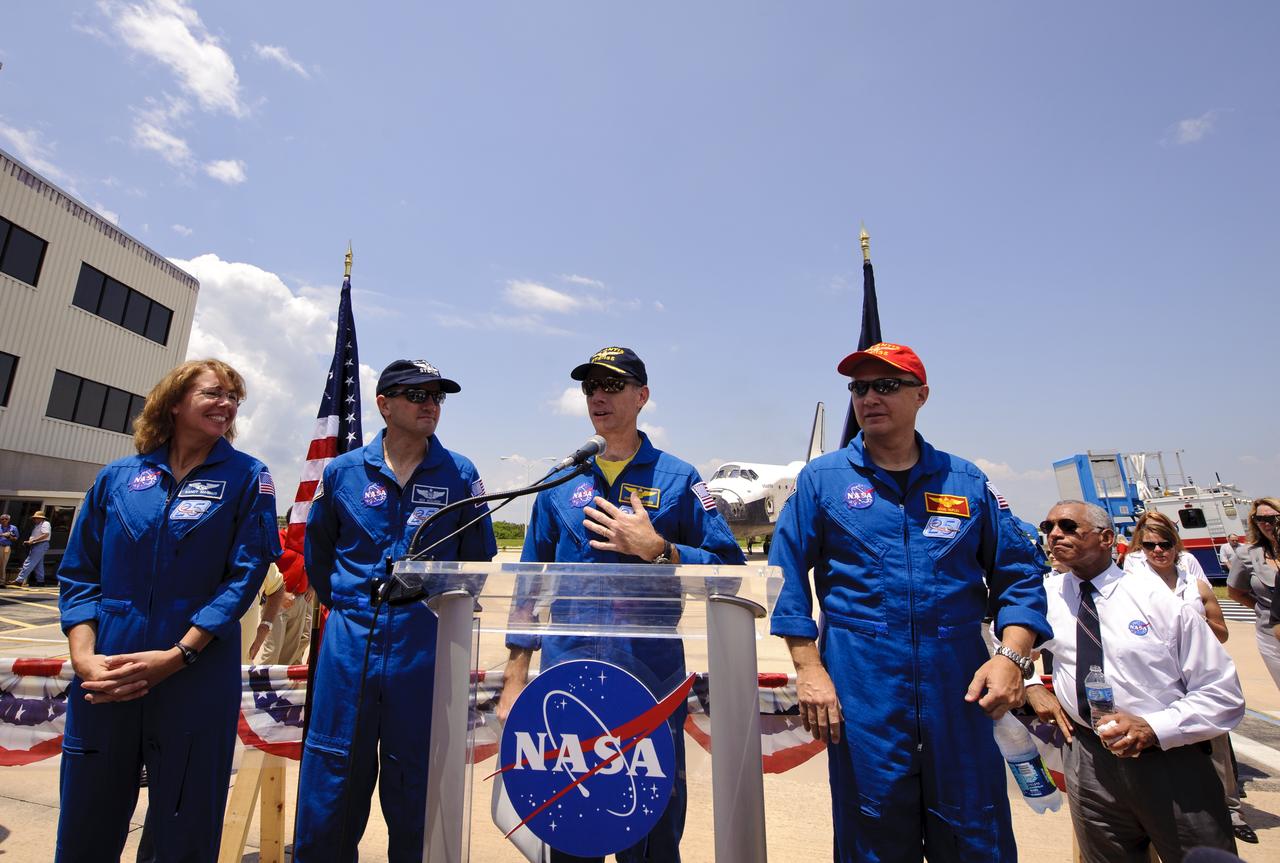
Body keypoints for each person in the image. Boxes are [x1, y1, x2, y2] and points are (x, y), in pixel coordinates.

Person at [767, 341, 1050, 862]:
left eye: (886, 386)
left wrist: (1012, 657)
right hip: (863, 692)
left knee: (974, 832)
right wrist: (808, 668)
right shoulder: (821, 481)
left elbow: (1019, 575)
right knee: (872, 832)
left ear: (921, 395)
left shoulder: (966, 482)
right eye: (859, 387)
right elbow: (782, 575)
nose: (870, 397)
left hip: (960, 690)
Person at [498, 346, 745, 863]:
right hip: (564, 683)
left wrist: (662, 550)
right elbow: (529, 585)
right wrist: (516, 677)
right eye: (590, 387)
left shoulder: (679, 479)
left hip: (646, 682)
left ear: (642, 396)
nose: (598, 396)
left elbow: (730, 568)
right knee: (568, 830)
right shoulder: (559, 481)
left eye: (612, 385)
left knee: (650, 835)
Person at [55, 359, 280, 862]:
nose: (227, 405)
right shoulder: (118, 477)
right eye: (214, 393)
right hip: (108, 674)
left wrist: (179, 655)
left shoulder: (248, 477)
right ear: (175, 402)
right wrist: (85, 659)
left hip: (194, 676)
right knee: (87, 819)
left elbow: (243, 577)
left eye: (234, 398)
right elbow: (79, 573)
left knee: (184, 826)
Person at [295, 359, 497, 863]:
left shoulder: (461, 473)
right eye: (417, 395)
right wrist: (355, 603)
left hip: (424, 641)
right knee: (333, 778)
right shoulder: (342, 472)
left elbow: (477, 559)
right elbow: (319, 556)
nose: (431, 405)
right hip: (351, 640)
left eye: (437, 397)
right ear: (384, 405)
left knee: (419, 783)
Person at [1026, 500, 1244, 861]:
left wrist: (1151, 727)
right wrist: (1033, 686)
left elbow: (1223, 695)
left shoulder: (1158, 601)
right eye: (1048, 528)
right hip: (1088, 759)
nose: (1055, 535)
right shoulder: (1046, 598)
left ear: (1107, 538)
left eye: (1067, 526)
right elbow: (1006, 644)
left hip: (1168, 760)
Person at [1126, 510, 1253, 843]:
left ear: (1175, 545)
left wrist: (1187, 625)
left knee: (1216, 746)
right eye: (1149, 545)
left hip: (1197, 675)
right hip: (1157, 679)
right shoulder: (1131, 586)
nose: (1158, 551)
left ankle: (1231, 808)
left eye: (1165, 544)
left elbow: (1222, 631)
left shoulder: (1194, 584)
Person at [1227, 497, 1280, 688]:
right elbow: (1235, 592)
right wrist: (1267, 610)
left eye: (1272, 518)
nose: (1266, 524)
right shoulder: (1247, 554)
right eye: (1260, 519)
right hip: (1271, 635)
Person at [14, 510, 51, 587]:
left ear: (41, 518)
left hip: (41, 544)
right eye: (34, 518)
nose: (35, 520)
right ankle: (40, 581)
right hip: (38, 544)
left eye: (36, 518)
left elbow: (46, 535)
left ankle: (19, 580)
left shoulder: (45, 524)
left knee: (29, 562)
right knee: (38, 564)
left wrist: (33, 541)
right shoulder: (38, 525)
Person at [0, 513, 18, 585]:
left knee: (3, 564)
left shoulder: (13, 528)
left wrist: (10, 537)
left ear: (9, 520)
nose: (4, 520)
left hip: (6, 547)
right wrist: (2, 535)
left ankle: (1, 581)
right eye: (2, 519)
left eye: (6, 519)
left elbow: (16, 538)